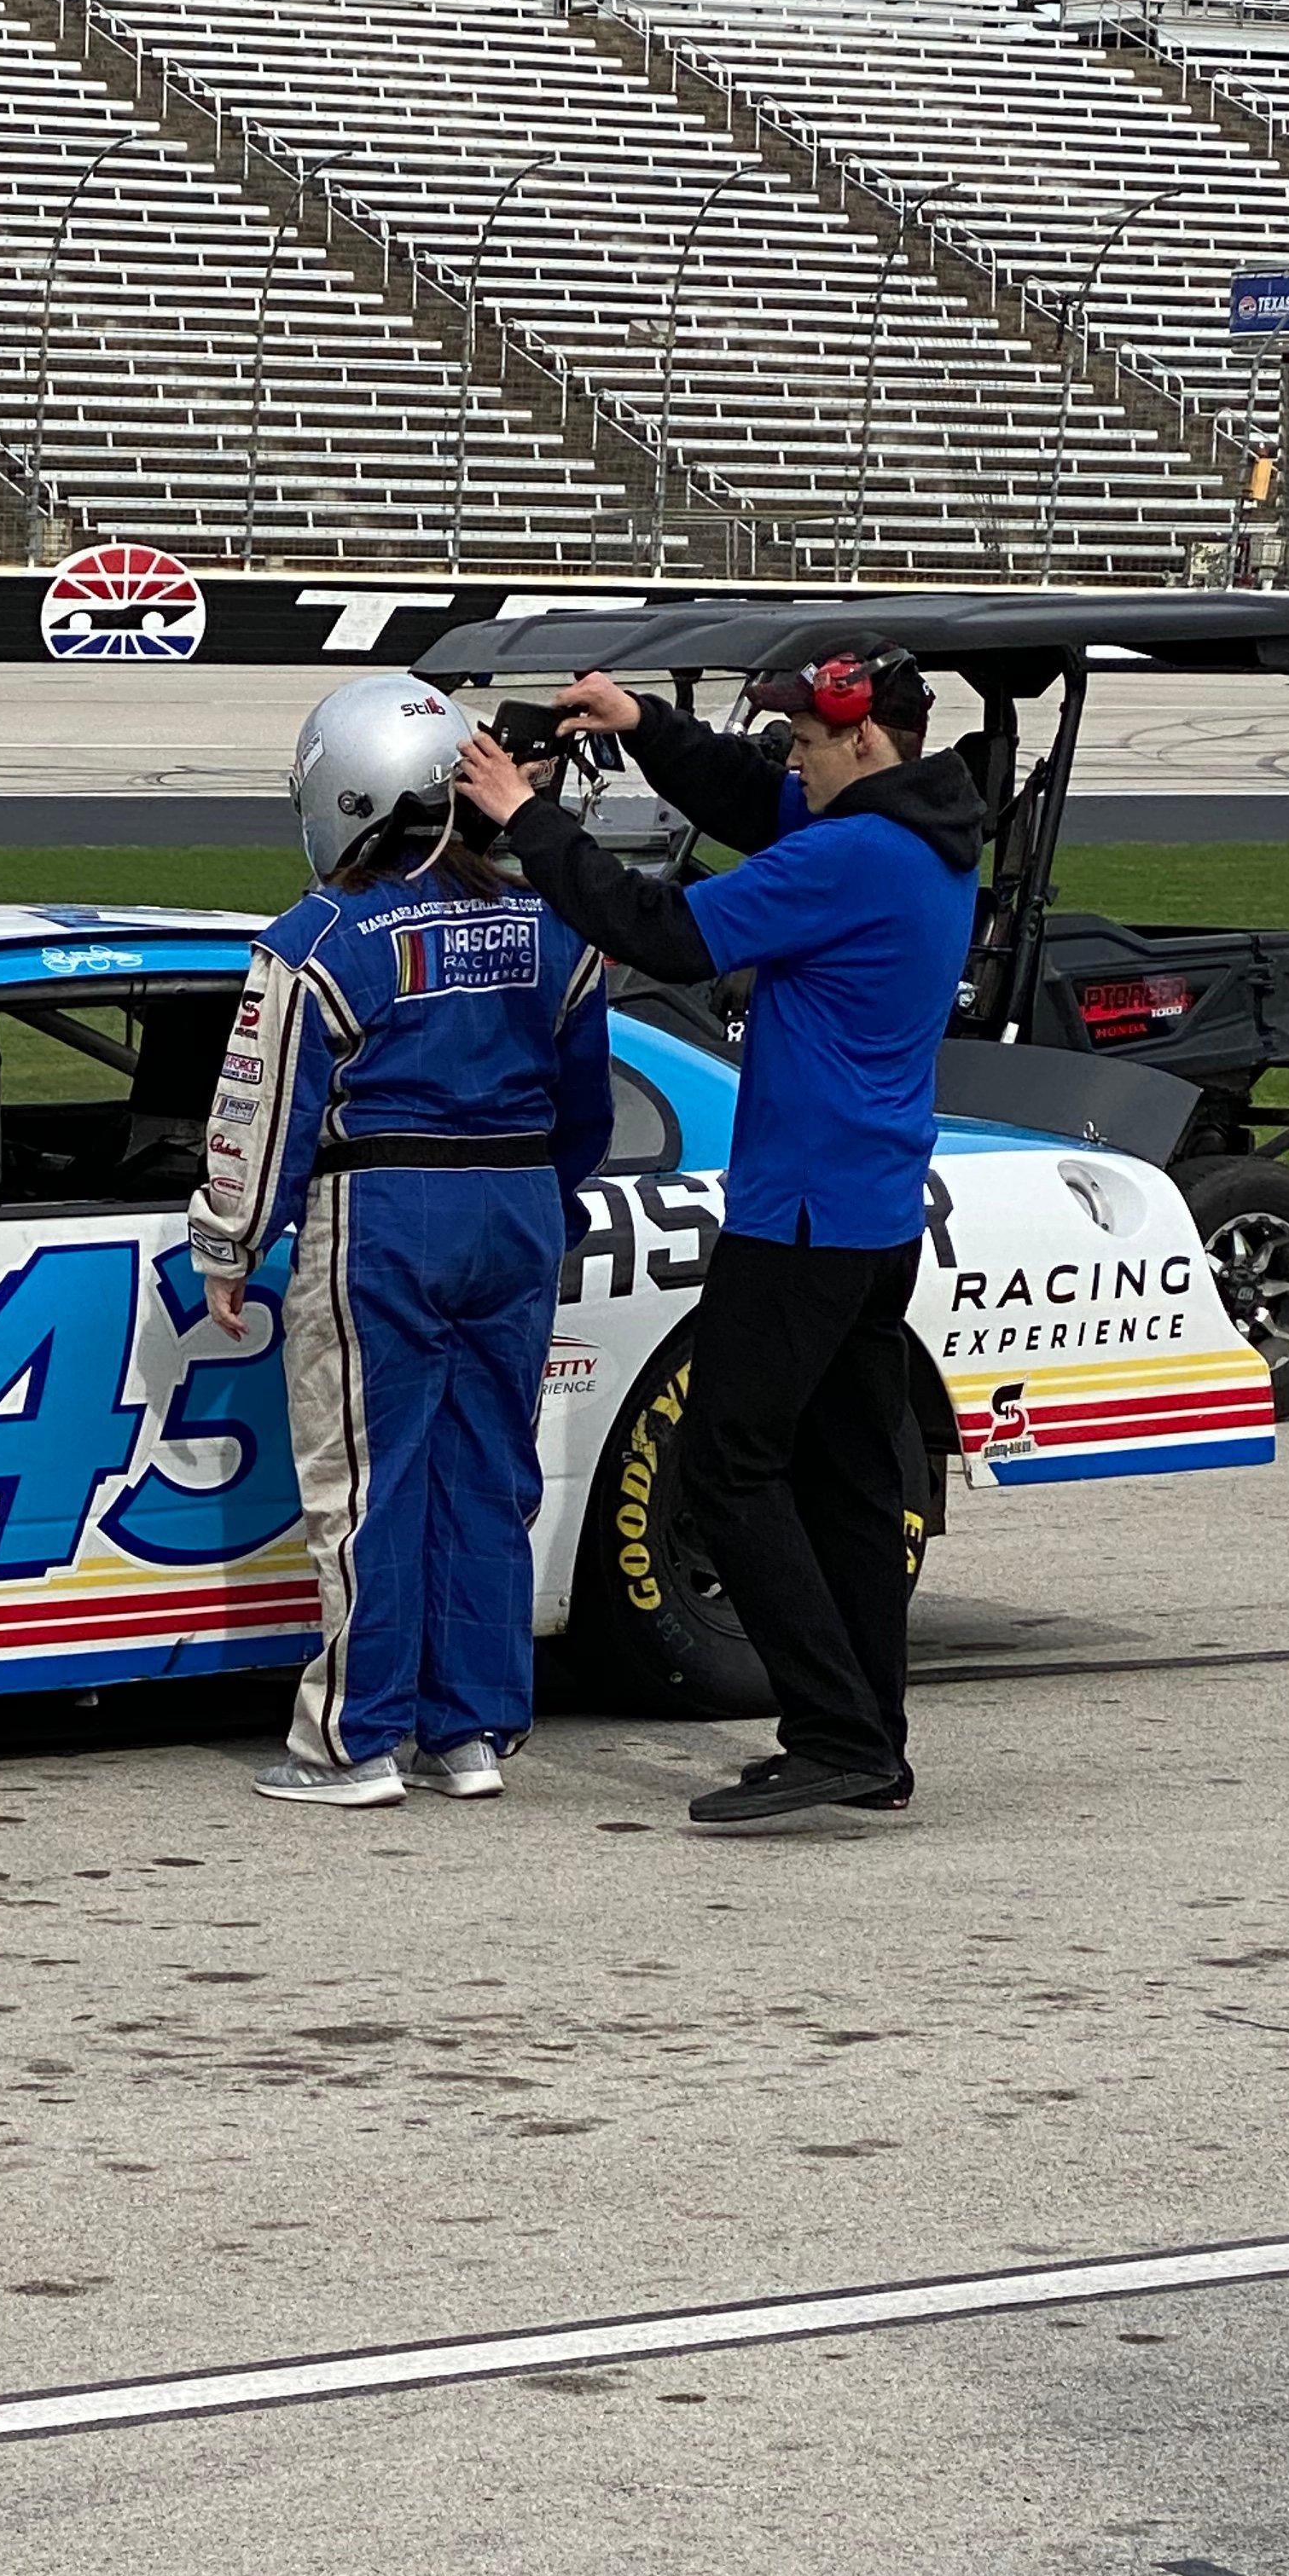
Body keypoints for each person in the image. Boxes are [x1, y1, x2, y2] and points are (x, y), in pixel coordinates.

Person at [455, 642, 984, 1828]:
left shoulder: (853, 856)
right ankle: (865, 1739)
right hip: (870, 1207)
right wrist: (639, 722)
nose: (788, 761)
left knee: (725, 1468)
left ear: (861, 738)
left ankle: (835, 1732)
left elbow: (662, 930)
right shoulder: (919, 820)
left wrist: (528, 817)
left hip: (799, 1214)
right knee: (847, 1479)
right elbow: (756, 802)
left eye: (803, 741)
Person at [191, 671, 615, 1809]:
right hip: (519, 1207)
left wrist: (228, 1243)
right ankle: (470, 1734)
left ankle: (355, 1745)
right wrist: (532, 1193)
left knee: (367, 1485)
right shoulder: (555, 922)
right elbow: (589, 1112)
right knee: (489, 1476)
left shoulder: (318, 936)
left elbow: (260, 1107)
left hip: (382, 1214)